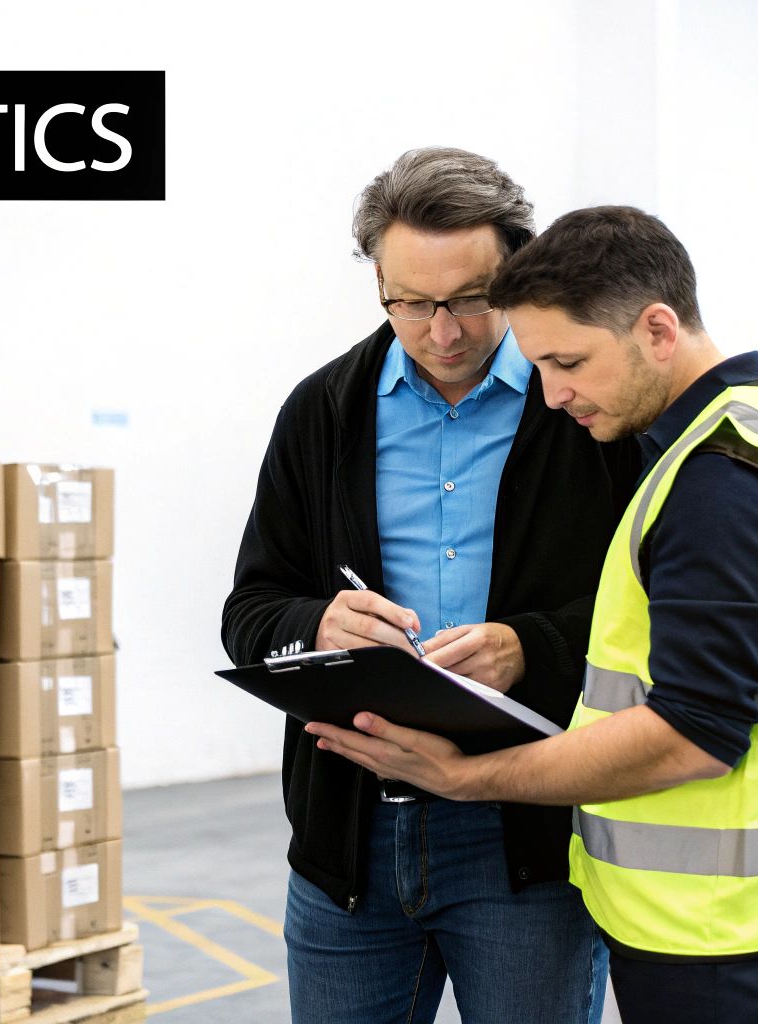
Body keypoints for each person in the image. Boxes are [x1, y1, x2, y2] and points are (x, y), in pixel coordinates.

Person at [306, 205, 758, 1024]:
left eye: (569, 362)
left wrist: (466, 778)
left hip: (723, 925)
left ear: (658, 329)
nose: (554, 395)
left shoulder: (716, 482)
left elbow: (692, 733)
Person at [221, 149, 641, 1023]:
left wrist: (532, 646)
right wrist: (318, 624)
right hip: (351, 841)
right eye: (411, 303)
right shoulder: (321, 412)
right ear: (377, 280)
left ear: (518, 272)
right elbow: (250, 612)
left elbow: (650, 609)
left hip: (524, 836)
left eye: (472, 299)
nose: (442, 332)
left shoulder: (589, 416)